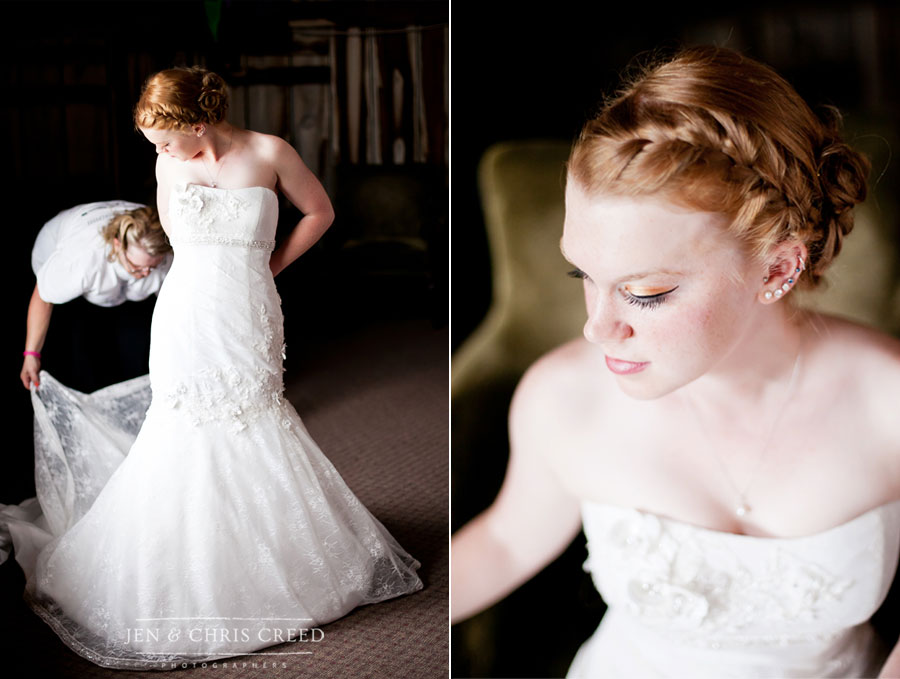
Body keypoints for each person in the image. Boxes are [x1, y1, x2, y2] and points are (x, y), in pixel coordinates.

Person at [451, 46, 900, 678]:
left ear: (778, 266)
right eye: (582, 273)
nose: (596, 325)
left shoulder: (889, 400)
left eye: (647, 291)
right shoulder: (563, 396)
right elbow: (504, 542)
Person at [0, 65, 422, 670]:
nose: (161, 152)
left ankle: (276, 561)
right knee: (185, 422)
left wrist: (267, 267)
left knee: (254, 414)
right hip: (187, 311)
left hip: (249, 306)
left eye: (167, 140)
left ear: (200, 123)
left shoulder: (270, 152)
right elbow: (180, 239)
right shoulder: (170, 163)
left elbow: (320, 212)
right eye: (155, 145)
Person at [20, 203, 172, 390]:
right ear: (117, 245)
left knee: (133, 346)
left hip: (121, 290)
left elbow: (174, 305)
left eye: (152, 267)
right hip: (61, 257)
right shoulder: (82, 259)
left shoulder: (163, 251)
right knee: (83, 355)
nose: (146, 273)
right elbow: (44, 297)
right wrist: (31, 354)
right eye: (137, 267)